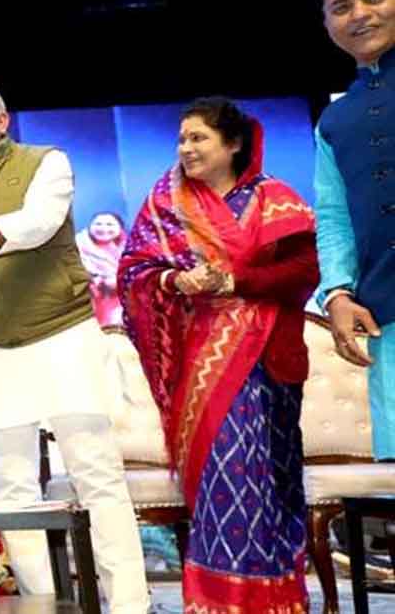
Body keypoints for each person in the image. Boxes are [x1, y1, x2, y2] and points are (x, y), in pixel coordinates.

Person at [0, 82, 149, 613]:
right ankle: (40, 604)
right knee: (11, 487)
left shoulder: (47, 162)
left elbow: (37, 225)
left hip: (61, 335)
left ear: (1, 120)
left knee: (96, 475)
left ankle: (129, 604)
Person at [119, 97, 319, 612]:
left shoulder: (273, 198)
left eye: (198, 138)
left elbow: (304, 271)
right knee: (221, 478)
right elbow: (135, 271)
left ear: (232, 144)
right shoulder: (166, 203)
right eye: (182, 139)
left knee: (269, 481)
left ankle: (274, 599)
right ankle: (216, 601)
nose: (186, 148)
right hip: (202, 365)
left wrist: (235, 281)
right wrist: (175, 280)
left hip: (268, 359)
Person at [315, 0, 395, 459]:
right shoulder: (334, 121)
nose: (360, 14)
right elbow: (334, 217)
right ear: (327, 24)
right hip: (388, 315)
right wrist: (338, 294)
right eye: (341, 7)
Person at [75, 211, 128, 327]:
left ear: (120, 228)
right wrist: (98, 280)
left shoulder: (129, 247)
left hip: (120, 302)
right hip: (89, 302)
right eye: (98, 224)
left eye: (110, 224)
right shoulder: (77, 246)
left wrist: (118, 281)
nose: (103, 228)